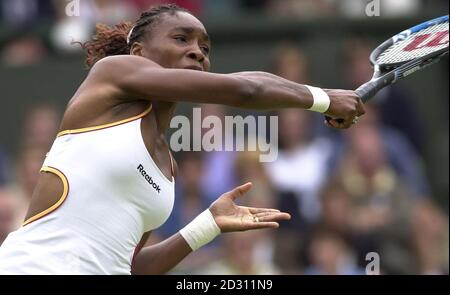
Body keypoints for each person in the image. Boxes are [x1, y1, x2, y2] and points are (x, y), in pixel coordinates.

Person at [0, 4, 364, 275]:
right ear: (139, 52)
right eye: (181, 39)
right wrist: (325, 98)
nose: (197, 52)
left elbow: (131, 267)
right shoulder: (110, 74)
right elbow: (246, 88)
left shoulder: (167, 170)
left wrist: (208, 225)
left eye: (205, 48)